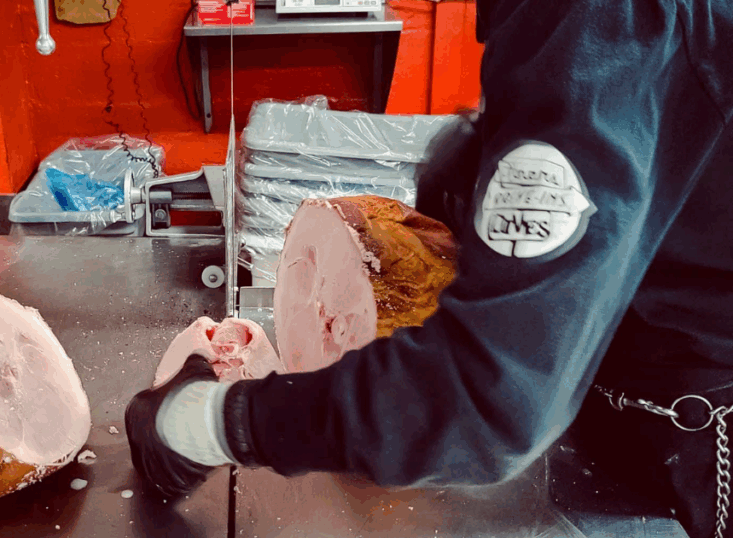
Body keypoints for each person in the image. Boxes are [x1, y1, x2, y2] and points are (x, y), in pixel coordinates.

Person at [125, 1, 733, 537]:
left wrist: (203, 423)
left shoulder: (597, 16)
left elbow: (484, 398)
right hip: (611, 395)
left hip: (692, 445)